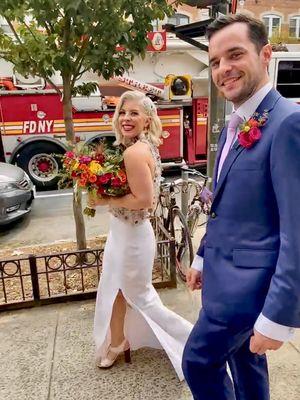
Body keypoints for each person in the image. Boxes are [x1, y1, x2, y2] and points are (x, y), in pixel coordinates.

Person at [182, 14, 300, 400]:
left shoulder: (288, 123)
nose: (223, 69)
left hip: (248, 292)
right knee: (245, 365)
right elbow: (225, 205)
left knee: (199, 363)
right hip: (224, 276)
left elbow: (297, 230)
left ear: (265, 54)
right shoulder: (235, 123)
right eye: (215, 61)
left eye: (235, 55)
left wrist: (278, 317)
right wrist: (202, 257)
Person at [89, 90, 193, 380]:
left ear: (147, 119)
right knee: (115, 289)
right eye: (122, 112)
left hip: (132, 236)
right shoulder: (142, 146)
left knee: (140, 296)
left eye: (134, 113)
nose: (126, 118)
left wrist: (103, 199)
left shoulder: (134, 152)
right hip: (125, 232)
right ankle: (118, 341)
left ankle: (195, 343)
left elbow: (144, 200)